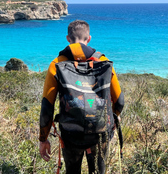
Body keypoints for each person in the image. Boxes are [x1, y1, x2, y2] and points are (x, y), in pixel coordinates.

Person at [39, 20, 125, 174]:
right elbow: (119, 100)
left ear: (68, 38)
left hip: (70, 134)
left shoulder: (57, 64)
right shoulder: (104, 62)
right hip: (100, 132)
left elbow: (47, 105)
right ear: (89, 38)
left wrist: (43, 139)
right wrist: (113, 118)